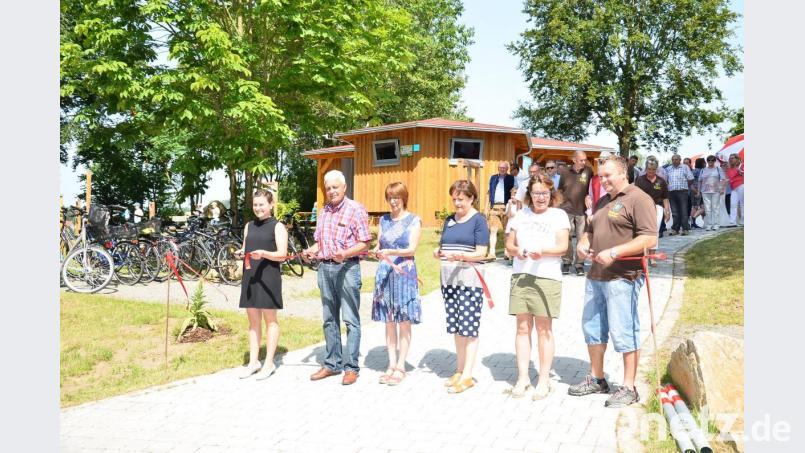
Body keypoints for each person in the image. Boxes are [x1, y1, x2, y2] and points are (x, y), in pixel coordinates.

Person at [569, 155, 657, 408]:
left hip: (623, 277)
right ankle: (597, 378)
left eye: (608, 175)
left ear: (623, 173)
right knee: (593, 328)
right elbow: (590, 231)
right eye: (601, 176)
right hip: (595, 276)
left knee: (623, 330)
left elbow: (650, 239)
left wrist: (616, 252)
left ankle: (629, 387)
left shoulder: (639, 199)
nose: (603, 180)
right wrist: (584, 245)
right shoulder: (602, 201)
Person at [302, 169, 372, 385]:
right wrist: (311, 251)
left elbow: (365, 242)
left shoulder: (355, 209)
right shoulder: (324, 211)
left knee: (350, 319)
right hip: (325, 269)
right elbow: (320, 242)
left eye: (335, 187)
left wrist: (346, 253)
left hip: (348, 269)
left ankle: (351, 368)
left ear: (344, 187)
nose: (331, 191)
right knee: (329, 319)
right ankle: (332, 364)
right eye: (328, 187)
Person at [505, 174, 569, 400]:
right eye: (536, 193)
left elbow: (562, 247)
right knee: (522, 328)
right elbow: (509, 245)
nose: (540, 197)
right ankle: (522, 377)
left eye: (544, 192)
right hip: (521, 276)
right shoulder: (520, 216)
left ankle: (543, 379)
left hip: (547, 277)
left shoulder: (559, 215)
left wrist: (543, 251)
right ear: (529, 195)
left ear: (551, 193)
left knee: (544, 329)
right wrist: (518, 251)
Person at [434, 180, 490, 394]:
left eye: (461, 199)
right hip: (449, 279)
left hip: (468, 279)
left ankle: (468, 375)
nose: (457, 203)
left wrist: (463, 256)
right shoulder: (449, 220)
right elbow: (443, 246)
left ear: (471, 198)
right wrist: (438, 253)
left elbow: (481, 252)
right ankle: (458, 369)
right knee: (457, 326)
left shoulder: (478, 220)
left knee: (469, 326)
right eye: (454, 199)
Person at [371, 182, 422, 386]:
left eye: (397, 197)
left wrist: (390, 253)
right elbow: (380, 244)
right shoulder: (383, 220)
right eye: (390, 197)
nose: (393, 201)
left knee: (404, 321)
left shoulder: (414, 220)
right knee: (389, 321)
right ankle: (391, 364)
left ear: (404, 198)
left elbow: (411, 249)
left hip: (404, 273)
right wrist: (377, 251)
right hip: (385, 272)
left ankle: (401, 365)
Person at [237, 189, 288, 380]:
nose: (258, 208)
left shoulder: (278, 227)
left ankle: (269, 363)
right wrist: (240, 252)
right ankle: (253, 362)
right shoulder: (249, 226)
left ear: (271, 205)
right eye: (255, 204)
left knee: (270, 320)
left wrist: (264, 253)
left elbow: (282, 254)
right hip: (250, 276)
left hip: (268, 277)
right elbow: (245, 247)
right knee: (253, 321)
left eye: (262, 205)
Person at [557, 150, 594, 276]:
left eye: (585, 160)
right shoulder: (564, 172)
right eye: (581, 160)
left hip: (582, 210)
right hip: (566, 209)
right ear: (574, 160)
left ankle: (579, 264)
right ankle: (567, 261)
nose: (584, 162)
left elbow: (592, 189)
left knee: (581, 237)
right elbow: (560, 190)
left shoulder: (588, 171)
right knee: (566, 236)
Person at [634, 160, 671, 263]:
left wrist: (667, 211)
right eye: (649, 169)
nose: (651, 171)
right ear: (646, 169)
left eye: (653, 169)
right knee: (643, 231)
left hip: (657, 207)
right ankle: (644, 255)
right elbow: (634, 195)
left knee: (655, 231)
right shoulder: (640, 180)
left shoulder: (661, 181)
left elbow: (665, 198)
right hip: (642, 208)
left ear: (657, 169)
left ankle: (652, 256)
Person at [486, 161, 515, 260]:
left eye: (504, 168)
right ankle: (492, 253)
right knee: (493, 230)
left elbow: (514, 192)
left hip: (506, 207)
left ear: (507, 169)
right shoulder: (493, 178)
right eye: (500, 167)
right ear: (498, 168)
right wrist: (486, 207)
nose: (502, 169)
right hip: (494, 207)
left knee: (507, 231)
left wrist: (511, 205)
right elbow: (489, 193)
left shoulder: (512, 178)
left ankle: (507, 252)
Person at [665, 154, 695, 236]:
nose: (675, 161)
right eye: (673, 159)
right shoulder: (668, 169)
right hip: (671, 192)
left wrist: (685, 186)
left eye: (676, 159)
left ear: (679, 160)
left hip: (682, 192)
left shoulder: (685, 167)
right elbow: (665, 180)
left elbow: (691, 178)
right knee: (674, 212)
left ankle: (685, 229)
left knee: (683, 211)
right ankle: (675, 229)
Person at [699, 155, 727, 231]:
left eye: (712, 160)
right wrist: (699, 191)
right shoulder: (703, 170)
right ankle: (709, 224)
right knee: (707, 208)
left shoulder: (718, 169)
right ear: (707, 161)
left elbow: (723, 179)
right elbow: (700, 181)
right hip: (705, 191)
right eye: (709, 160)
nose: (710, 162)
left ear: (714, 161)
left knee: (715, 208)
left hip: (716, 191)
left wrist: (721, 189)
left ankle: (716, 224)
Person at [584, 151, 612, 217]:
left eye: (605, 162)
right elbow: (591, 197)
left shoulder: (614, 178)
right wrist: (589, 213)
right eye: (600, 162)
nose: (601, 164)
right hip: (596, 215)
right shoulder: (594, 179)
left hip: (610, 215)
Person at [726, 153, 744, 226]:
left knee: (742, 204)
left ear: (737, 159)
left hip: (741, 186)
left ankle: (743, 221)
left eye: (733, 158)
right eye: (730, 158)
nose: (731, 159)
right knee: (733, 204)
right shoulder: (729, 169)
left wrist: (742, 172)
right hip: (733, 188)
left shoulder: (742, 166)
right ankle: (732, 221)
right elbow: (729, 179)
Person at [689, 158, 707, 228]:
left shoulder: (699, 170)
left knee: (700, 207)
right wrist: (696, 191)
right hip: (696, 190)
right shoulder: (698, 171)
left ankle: (694, 222)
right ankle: (693, 220)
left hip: (699, 190)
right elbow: (691, 182)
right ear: (702, 163)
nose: (706, 163)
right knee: (697, 207)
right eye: (704, 162)